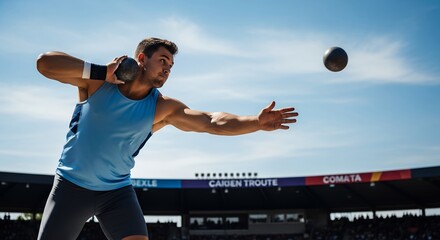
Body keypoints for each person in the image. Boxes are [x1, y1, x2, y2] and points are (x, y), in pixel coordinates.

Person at [35, 37, 299, 240]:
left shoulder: (162, 107)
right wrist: (101, 71)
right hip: (71, 186)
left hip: (116, 193)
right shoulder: (97, 84)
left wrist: (256, 122)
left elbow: (211, 121)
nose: (167, 69)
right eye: (162, 60)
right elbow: (45, 63)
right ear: (141, 58)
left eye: (171, 66)